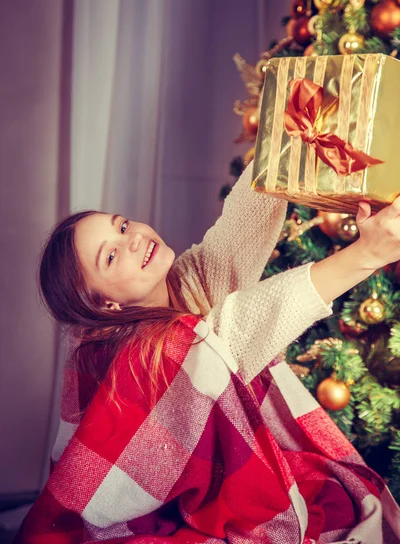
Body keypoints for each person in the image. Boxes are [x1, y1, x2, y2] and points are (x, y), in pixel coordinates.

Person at [15, 159, 400, 544]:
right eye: (111, 256)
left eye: (122, 225)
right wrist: (367, 253)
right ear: (106, 307)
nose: (131, 238)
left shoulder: (182, 283)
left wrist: (285, 134)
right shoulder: (149, 358)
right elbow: (256, 318)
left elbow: (243, 226)